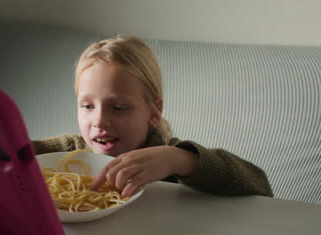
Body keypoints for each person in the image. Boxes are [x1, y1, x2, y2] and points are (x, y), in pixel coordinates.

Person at [31, 35, 273, 198]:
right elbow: (12, 150)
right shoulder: (70, 153)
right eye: (87, 106)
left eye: (118, 108)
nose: (99, 121)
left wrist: (181, 160)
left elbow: (260, 185)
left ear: (154, 112)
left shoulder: (170, 163)